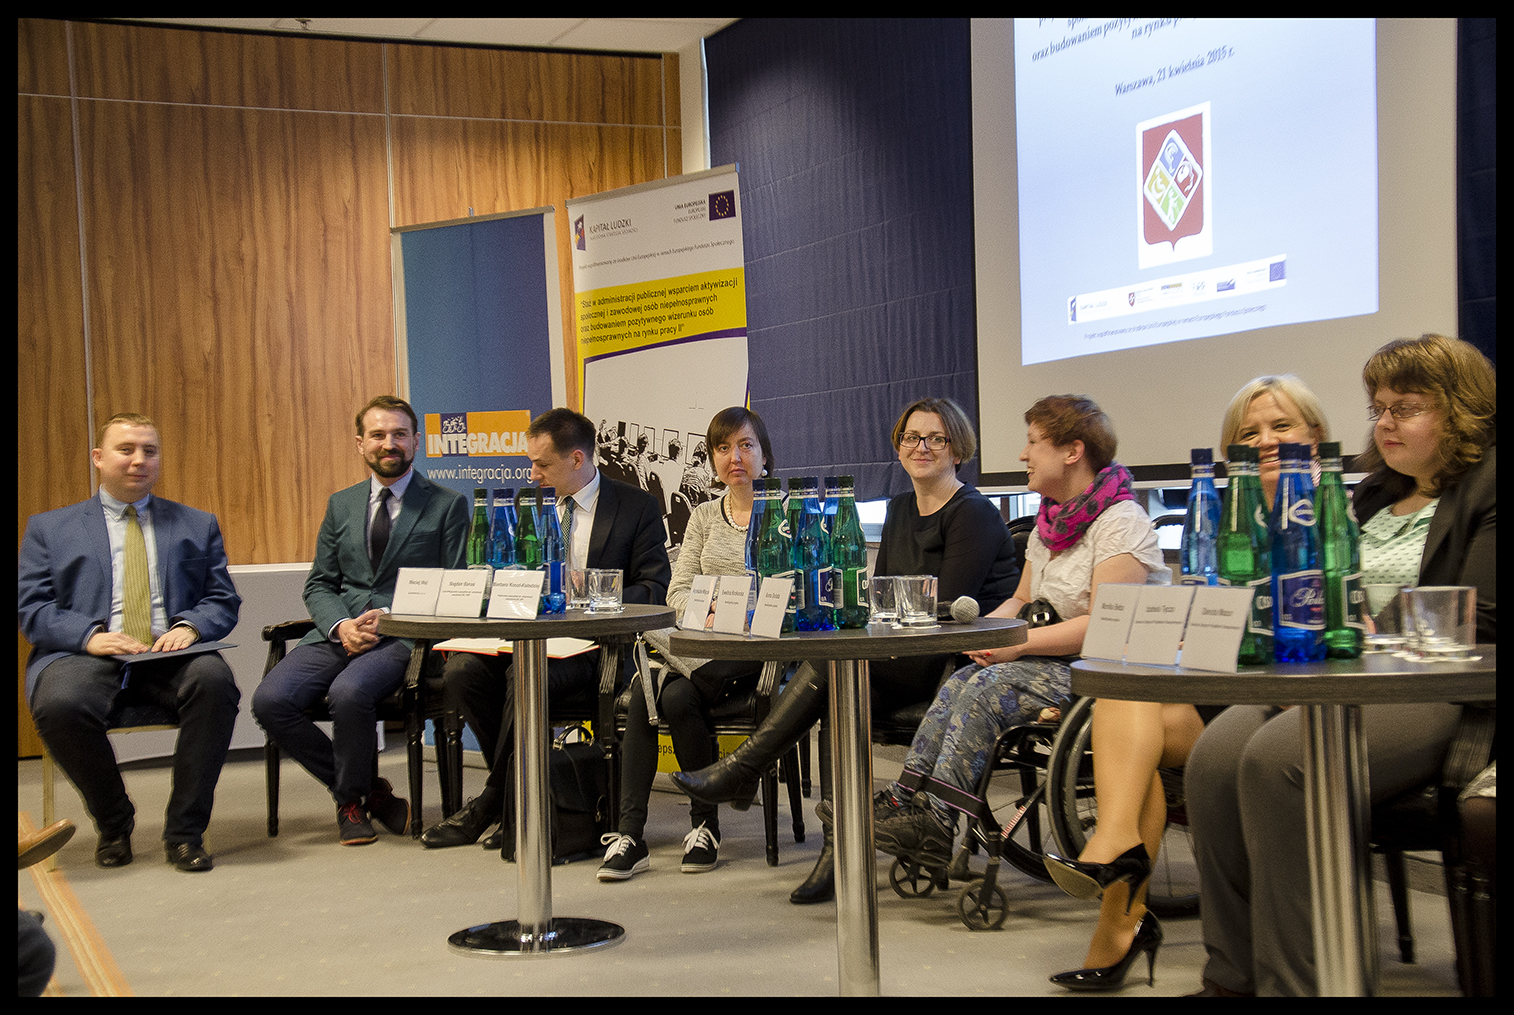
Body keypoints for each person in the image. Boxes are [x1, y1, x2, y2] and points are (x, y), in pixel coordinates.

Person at [1184, 334, 1496, 996]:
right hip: (1340, 679)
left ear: (1461, 411)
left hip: (1439, 690)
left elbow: (1483, 621)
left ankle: (1300, 985)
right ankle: (1232, 977)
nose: (1384, 423)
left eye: (1406, 407)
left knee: (1281, 759)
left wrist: (1370, 632)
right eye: (1378, 408)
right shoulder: (1373, 492)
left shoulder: (1488, 487)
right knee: (1213, 759)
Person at [670, 396, 1022, 903]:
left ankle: (745, 771)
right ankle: (838, 851)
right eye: (911, 438)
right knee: (840, 688)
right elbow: (880, 596)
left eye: (935, 438)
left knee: (833, 669)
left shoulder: (975, 513)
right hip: (901, 654)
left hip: (952, 662)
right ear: (898, 447)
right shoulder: (900, 508)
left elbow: (943, 611)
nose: (920, 447)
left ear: (957, 449)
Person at [1042, 376, 1330, 991]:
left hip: (1294, 698)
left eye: (1281, 426)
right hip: (1225, 690)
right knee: (1126, 692)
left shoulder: (1329, 512)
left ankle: (1118, 913)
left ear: (1316, 437)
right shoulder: (1223, 516)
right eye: (1249, 433)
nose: (1265, 441)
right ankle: (1118, 865)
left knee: (1129, 739)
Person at [869, 396, 1170, 878]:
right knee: (961, 681)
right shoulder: (1052, 521)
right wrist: (985, 632)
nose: (1023, 455)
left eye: (1033, 443)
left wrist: (1019, 644)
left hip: (1106, 671)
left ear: (1072, 451)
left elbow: (1105, 627)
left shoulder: (1121, 522)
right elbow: (1021, 599)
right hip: (1052, 660)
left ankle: (938, 820)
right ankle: (904, 801)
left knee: (987, 691)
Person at [420, 408, 670, 851]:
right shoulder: (528, 508)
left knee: (524, 676)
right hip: (526, 638)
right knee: (461, 673)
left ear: (577, 459)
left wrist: (586, 593)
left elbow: (653, 589)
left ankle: (493, 802)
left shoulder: (635, 507)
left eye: (542, 464)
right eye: (531, 463)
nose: (532, 474)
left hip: (596, 649)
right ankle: (518, 798)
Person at [20, 413, 242, 873]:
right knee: (59, 704)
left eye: (149, 451)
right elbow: (33, 609)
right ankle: (114, 823)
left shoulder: (196, 523)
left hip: (170, 652)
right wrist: (89, 636)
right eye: (126, 449)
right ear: (98, 458)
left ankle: (184, 833)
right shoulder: (50, 528)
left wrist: (191, 626)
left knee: (215, 683)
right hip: (86, 652)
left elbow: (222, 599)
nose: (139, 460)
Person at [252, 396, 468, 846]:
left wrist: (389, 617)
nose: (389, 444)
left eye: (399, 434)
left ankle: (349, 802)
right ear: (360, 443)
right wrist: (341, 626)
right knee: (271, 701)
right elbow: (319, 584)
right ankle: (370, 790)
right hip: (339, 632)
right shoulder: (342, 504)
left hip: (406, 636)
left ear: (416, 441)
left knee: (348, 692)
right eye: (378, 435)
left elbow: (456, 584)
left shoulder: (447, 505)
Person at [597, 407, 783, 881]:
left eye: (745, 445)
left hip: (759, 649)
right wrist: (711, 610)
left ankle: (653, 832)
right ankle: (671, 831)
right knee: (671, 695)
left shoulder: (788, 513)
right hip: (702, 648)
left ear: (765, 455)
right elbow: (677, 592)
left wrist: (738, 611)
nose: (734, 457)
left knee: (650, 689)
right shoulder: (702, 515)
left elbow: (793, 590)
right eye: (723, 448)